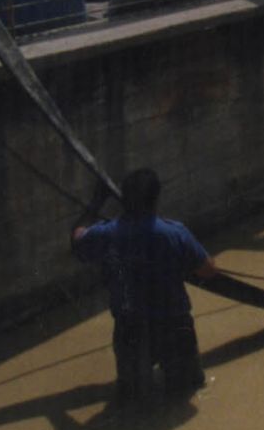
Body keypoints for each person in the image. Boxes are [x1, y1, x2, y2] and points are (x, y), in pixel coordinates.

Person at [73, 168, 223, 406]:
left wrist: (94, 205)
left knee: (134, 401)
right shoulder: (174, 233)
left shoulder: (106, 234)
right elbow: (208, 270)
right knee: (186, 389)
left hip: (131, 327)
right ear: (156, 198)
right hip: (173, 324)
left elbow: (78, 240)